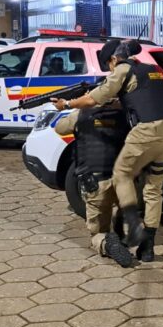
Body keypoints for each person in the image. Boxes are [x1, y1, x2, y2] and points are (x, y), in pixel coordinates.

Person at [52, 39, 163, 262]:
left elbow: (95, 98)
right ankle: (147, 247)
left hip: (148, 131)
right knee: (154, 191)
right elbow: (134, 99)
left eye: (109, 66)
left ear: (114, 59)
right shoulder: (154, 69)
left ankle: (134, 227)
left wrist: (66, 105)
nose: (110, 71)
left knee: (121, 174)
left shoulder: (123, 69)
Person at [54, 97, 134, 268]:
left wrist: (75, 105)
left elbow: (59, 128)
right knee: (121, 209)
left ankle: (106, 243)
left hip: (95, 179)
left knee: (98, 231)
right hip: (123, 179)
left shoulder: (81, 115)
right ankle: (122, 237)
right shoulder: (124, 114)